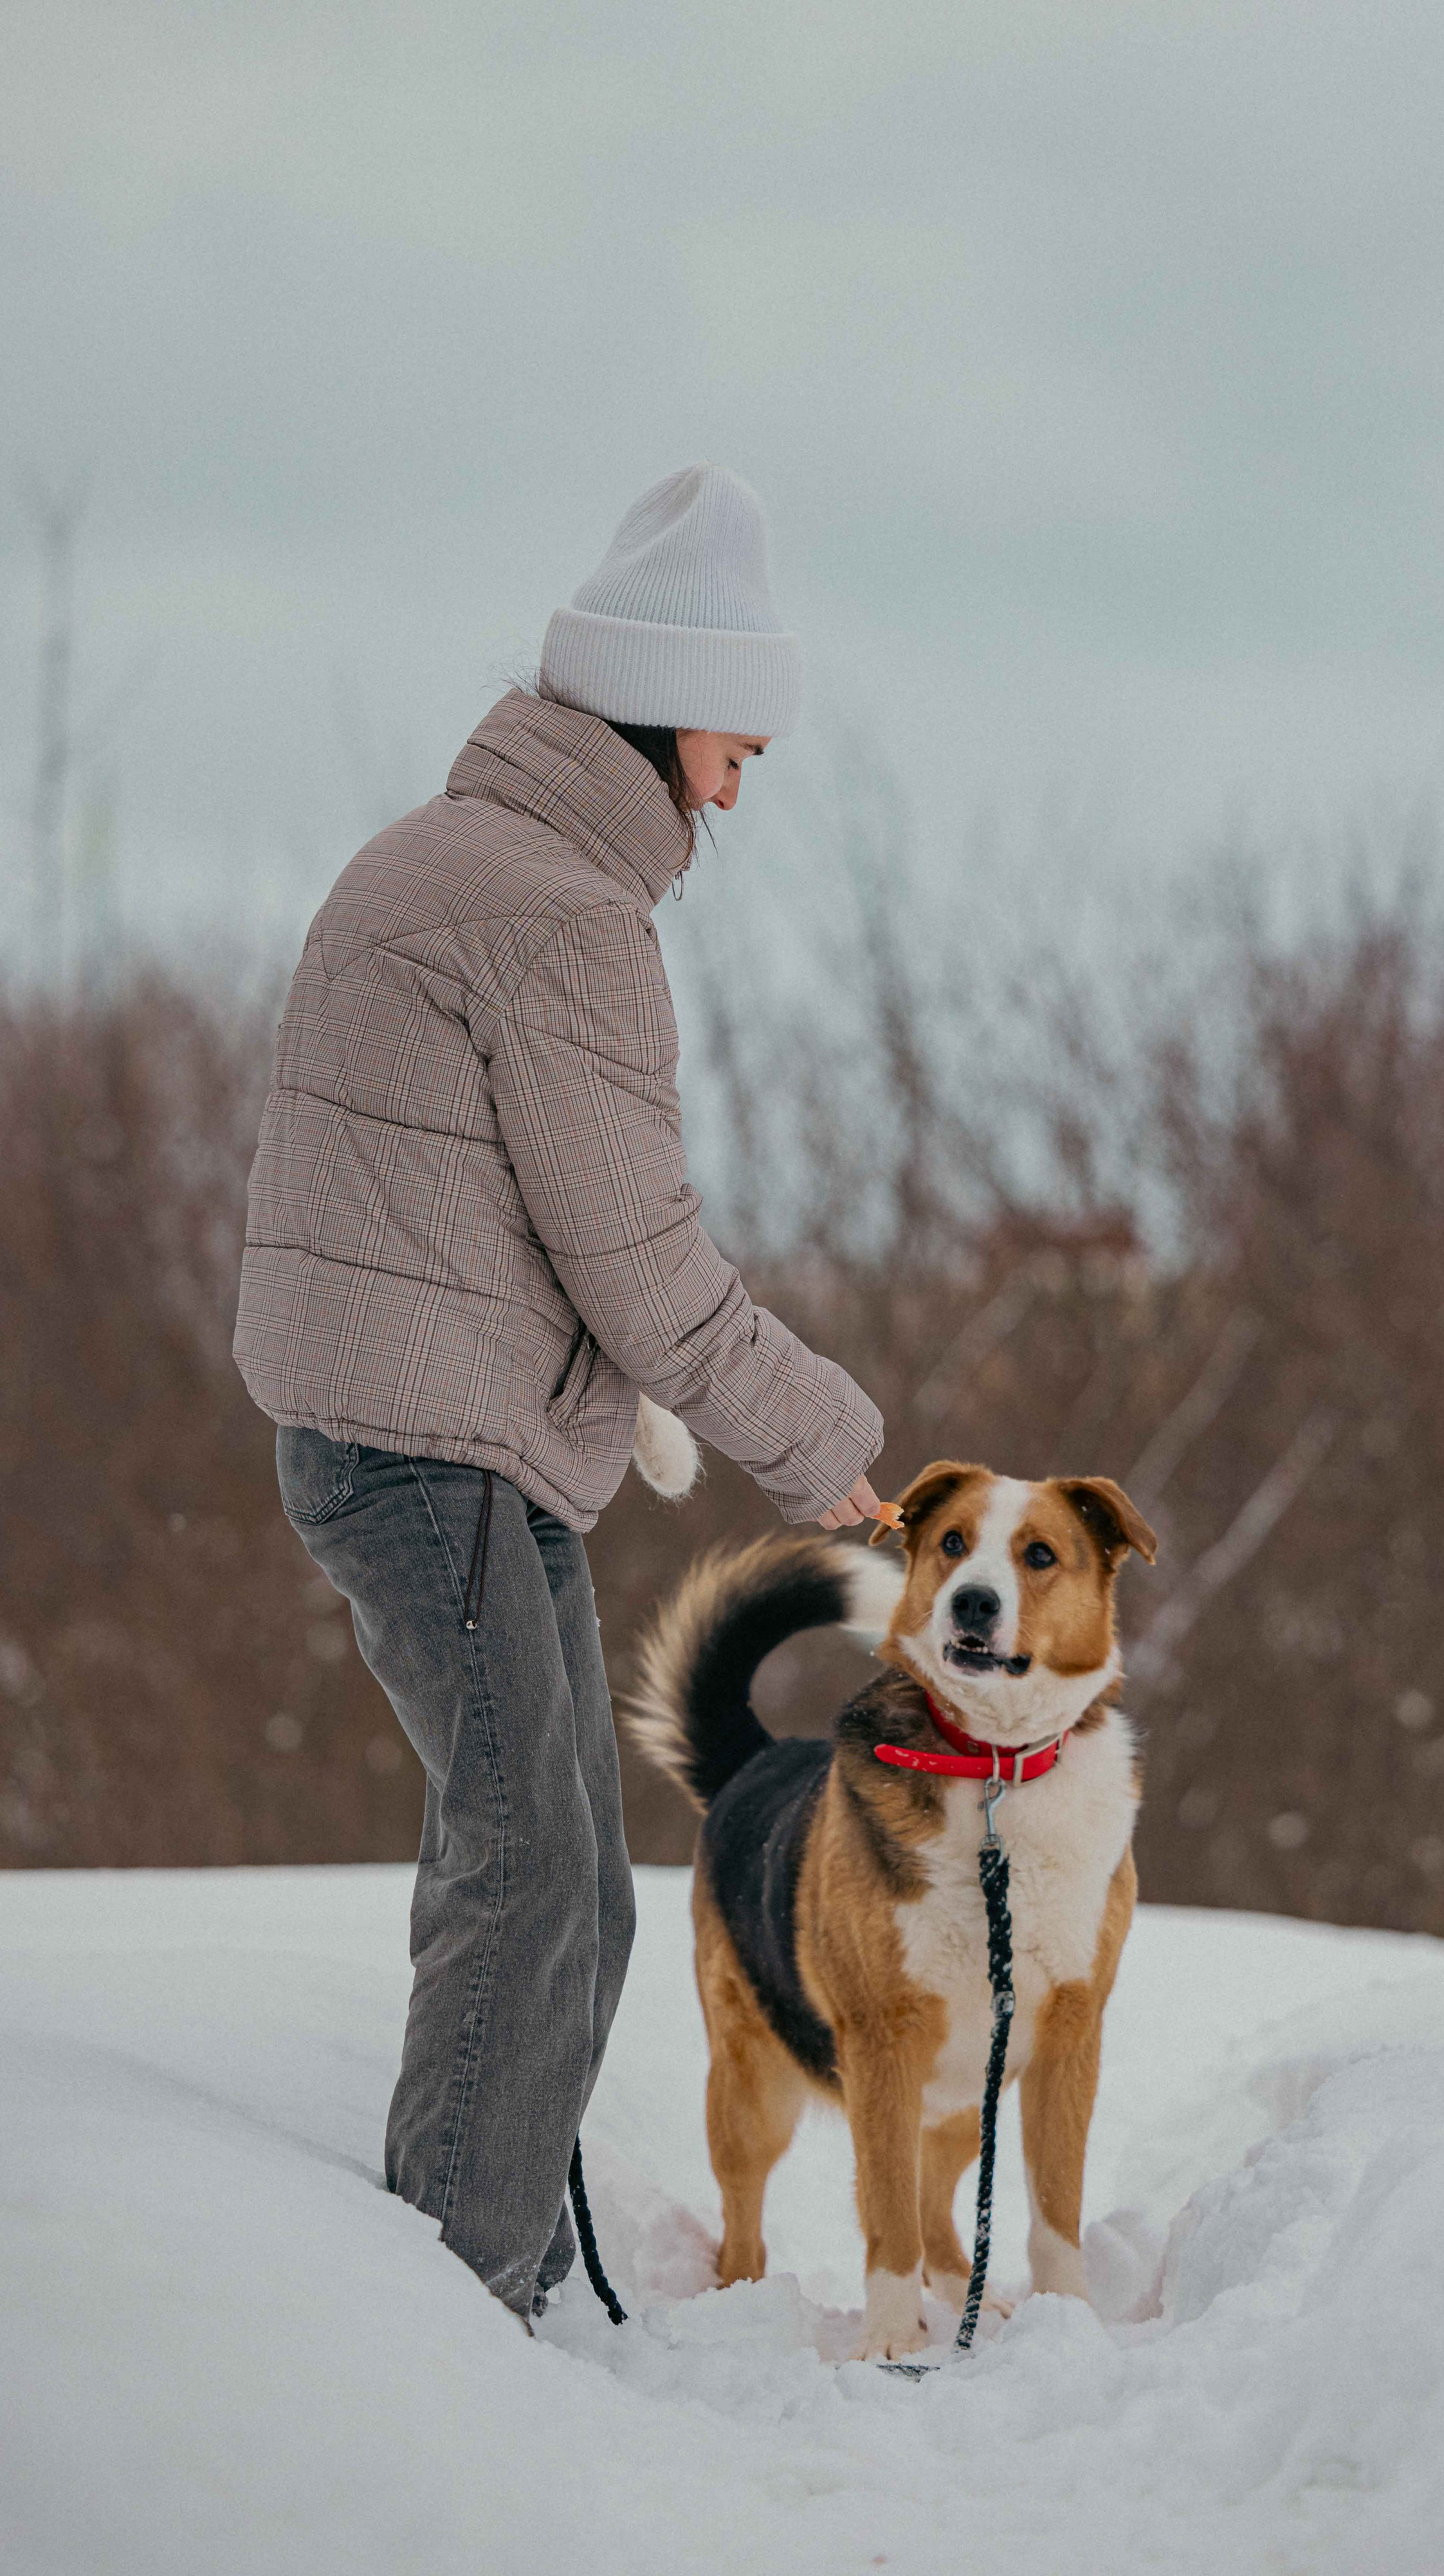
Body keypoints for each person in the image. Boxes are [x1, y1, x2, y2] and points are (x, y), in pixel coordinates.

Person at [232, 463, 884, 2323]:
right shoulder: (558, 913)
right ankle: (451, 2305)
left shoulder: (455, 855)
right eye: (738, 752)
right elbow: (645, 1263)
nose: (741, 795)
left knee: (547, 1868)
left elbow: (492, 1213)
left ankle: (468, 2274)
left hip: (434, 1441)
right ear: (664, 711)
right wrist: (825, 1444)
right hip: (427, 1456)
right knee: (539, 1880)